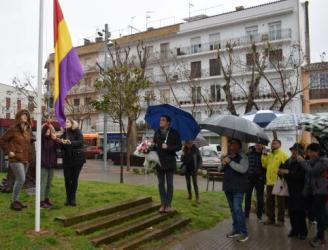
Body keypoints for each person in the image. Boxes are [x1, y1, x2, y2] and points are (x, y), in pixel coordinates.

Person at [0, 109, 34, 211]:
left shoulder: (28, 130)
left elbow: (27, 144)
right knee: (21, 179)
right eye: (23, 115)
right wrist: (8, 151)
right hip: (15, 159)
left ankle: (16, 201)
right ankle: (13, 202)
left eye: (27, 116)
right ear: (19, 117)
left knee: (20, 181)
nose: (25, 117)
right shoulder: (13, 129)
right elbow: (2, 140)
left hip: (25, 159)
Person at [221, 139, 249, 242]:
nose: (231, 146)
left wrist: (231, 162)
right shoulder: (227, 156)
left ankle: (244, 233)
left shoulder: (243, 157)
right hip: (228, 187)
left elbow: (243, 169)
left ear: (238, 146)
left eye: (233, 144)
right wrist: (223, 163)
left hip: (239, 188)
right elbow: (219, 169)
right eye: (231, 144)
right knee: (233, 210)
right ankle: (236, 230)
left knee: (237, 209)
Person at [278, 143, 307, 240]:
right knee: (291, 211)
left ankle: (302, 232)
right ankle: (294, 230)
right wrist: (280, 171)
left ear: (301, 152)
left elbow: (299, 176)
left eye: (296, 150)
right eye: (293, 150)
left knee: (300, 212)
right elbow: (282, 170)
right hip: (289, 190)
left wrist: (287, 173)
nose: (293, 152)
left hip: (299, 191)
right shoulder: (288, 161)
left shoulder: (303, 162)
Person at [153, 115, 182, 213]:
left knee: (169, 184)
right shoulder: (157, 132)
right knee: (161, 183)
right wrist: (150, 147)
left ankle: (168, 205)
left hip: (170, 162)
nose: (161, 121)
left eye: (163, 120)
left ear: (168, 122)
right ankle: (163, 204)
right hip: (159, 162)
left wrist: (168, 147)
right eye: (160, 119)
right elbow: (154, 144)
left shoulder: (174, 133)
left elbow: (179, 146)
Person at [302, 143, 328, 248]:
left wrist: (303, 162)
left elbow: (312, 172)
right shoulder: (316, 161)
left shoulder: (324, 161)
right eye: (308, 152)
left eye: (310, 152)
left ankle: (321, 239)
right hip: (317, 191)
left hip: (323, 191)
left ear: (316, 152)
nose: (309, 154)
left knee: (320, 215)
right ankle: (319, 236)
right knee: (318, 214)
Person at [261, 139, 289, 226]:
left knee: (280, 202)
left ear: (280, 145)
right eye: (272, 144)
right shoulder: (270, 155)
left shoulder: (283, 155)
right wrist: (264, 155)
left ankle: (281, 220)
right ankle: (270, 218)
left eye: (275, 143)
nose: (272, 145)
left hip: (279, 181)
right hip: (269, 181)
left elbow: (287, 167)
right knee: (270, 201)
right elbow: (264, 165)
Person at [59, 118, 85, 206]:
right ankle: (68, 198)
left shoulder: (77, 131)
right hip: (67, 160)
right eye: (65, 122)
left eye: (67, 122)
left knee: (74, 179)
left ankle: (73, 198)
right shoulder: (64, 134)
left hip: (77, 159)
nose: (66, 123)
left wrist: (71, 142)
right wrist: (61, 142)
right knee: (67, 180)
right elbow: (61, 147)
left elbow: (81, 142)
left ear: (72, 123)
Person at [244, 144, 265, 222]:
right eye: (256, 144)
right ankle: (246, 214)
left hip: (259, 179)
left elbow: (266, 166)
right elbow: (245, 164)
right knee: (247, 196)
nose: (258, 145)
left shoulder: (265, 154)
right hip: (249, 178)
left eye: (259, 144)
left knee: (260, 198)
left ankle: (259, 216)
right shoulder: (249, 153)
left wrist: (263, 176)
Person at [40, 123, 59, 208]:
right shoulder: (41, 139)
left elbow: (58, 146)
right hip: (44, 165)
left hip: (51, 164)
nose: (48, 132)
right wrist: (45, 125)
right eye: (46, 130)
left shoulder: (52, 140)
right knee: (43, 183)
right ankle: (41, 201)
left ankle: (46, 199)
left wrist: (55, 139)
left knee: (49, 183)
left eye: (49, 131)